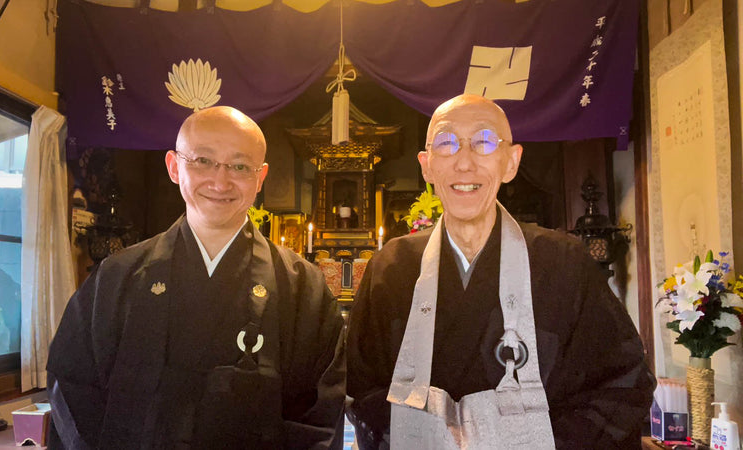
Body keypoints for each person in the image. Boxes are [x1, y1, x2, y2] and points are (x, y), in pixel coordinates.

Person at [346, 94, 655, 449]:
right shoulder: (391, 268)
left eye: (485, 142)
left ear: (511, 161)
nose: (465, 162)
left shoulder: (564, 263)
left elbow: (622, 382)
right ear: (427, 165)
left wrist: (529, 439)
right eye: (447, 143)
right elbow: (360, 386)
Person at [47, 106, 345, 449]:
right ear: (175, 167)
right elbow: (72, 392)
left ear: (260, 178)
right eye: (203, 161)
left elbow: (319, 414)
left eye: (239, 166)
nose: (220, 181)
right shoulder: (116, 278)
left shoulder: (301, 288)